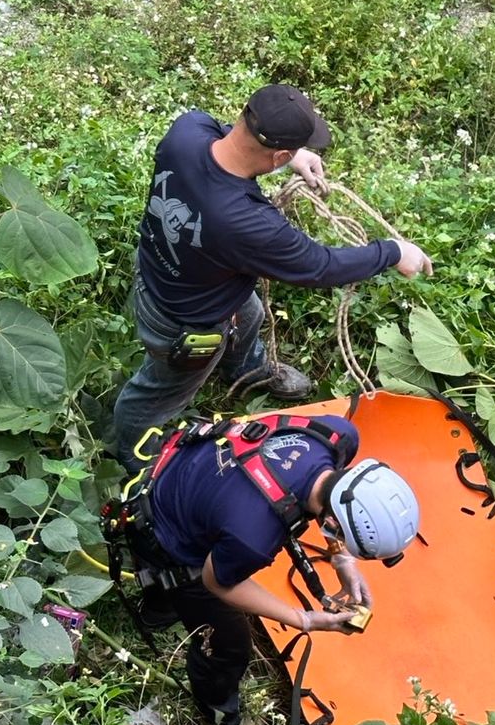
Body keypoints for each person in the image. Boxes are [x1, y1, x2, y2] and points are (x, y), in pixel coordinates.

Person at [112, 84, 433, 472]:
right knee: (158, 392)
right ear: (278, 152)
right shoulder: (246, 224)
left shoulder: (187, 130)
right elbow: (321, 266)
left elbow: (226, 139)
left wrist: (289, 159)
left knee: (249, 314)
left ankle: (249, 369)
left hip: (161, 268)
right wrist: (395, 251)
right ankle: (133, 454)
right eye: (288, 153)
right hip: (184, 322)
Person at [124, 412, 420, 725]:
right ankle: (220, 717)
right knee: (229, 644)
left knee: (208, 555)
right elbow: (217, 582)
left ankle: (161, 607)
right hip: (161, 527)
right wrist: (304, 619)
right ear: (335, 522)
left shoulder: (336, 436)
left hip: (190, 465)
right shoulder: (252, 536)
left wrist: (342, 558)